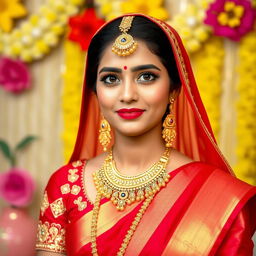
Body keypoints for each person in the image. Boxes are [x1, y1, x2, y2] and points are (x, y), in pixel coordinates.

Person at [35, 13, 256, 256]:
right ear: (95, 93)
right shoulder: (65, 186)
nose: (127, 94)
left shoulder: (219, 198)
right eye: (111, 79)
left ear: (174, 87)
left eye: (146, 77)